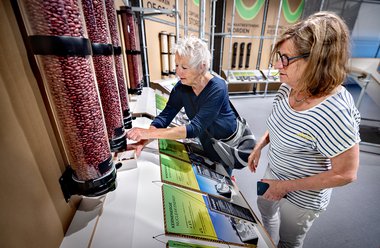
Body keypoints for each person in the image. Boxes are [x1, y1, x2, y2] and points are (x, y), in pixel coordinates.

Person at [247, 11, 360, 248]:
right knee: (265, 212)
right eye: (279, 56)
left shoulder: (335, 112)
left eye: (286, 58)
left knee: (289, 240)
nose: (278, 65)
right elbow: (280, 124)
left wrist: (285, 187)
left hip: (303, 197)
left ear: (317, 60)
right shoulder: (289, 85)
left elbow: (346, 173)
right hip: (274, 172)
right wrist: (260, 145)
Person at [127, 36, 237, 174]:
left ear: (202, 67)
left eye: (184, 67)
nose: (178, 72)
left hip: (226, 145)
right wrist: (142, 141)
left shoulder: (218, 88)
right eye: (177, 65)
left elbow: (194, 128)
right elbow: (165, 117)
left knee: (224, 174)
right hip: (207, 142)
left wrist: (147, 132)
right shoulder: (181, 87)